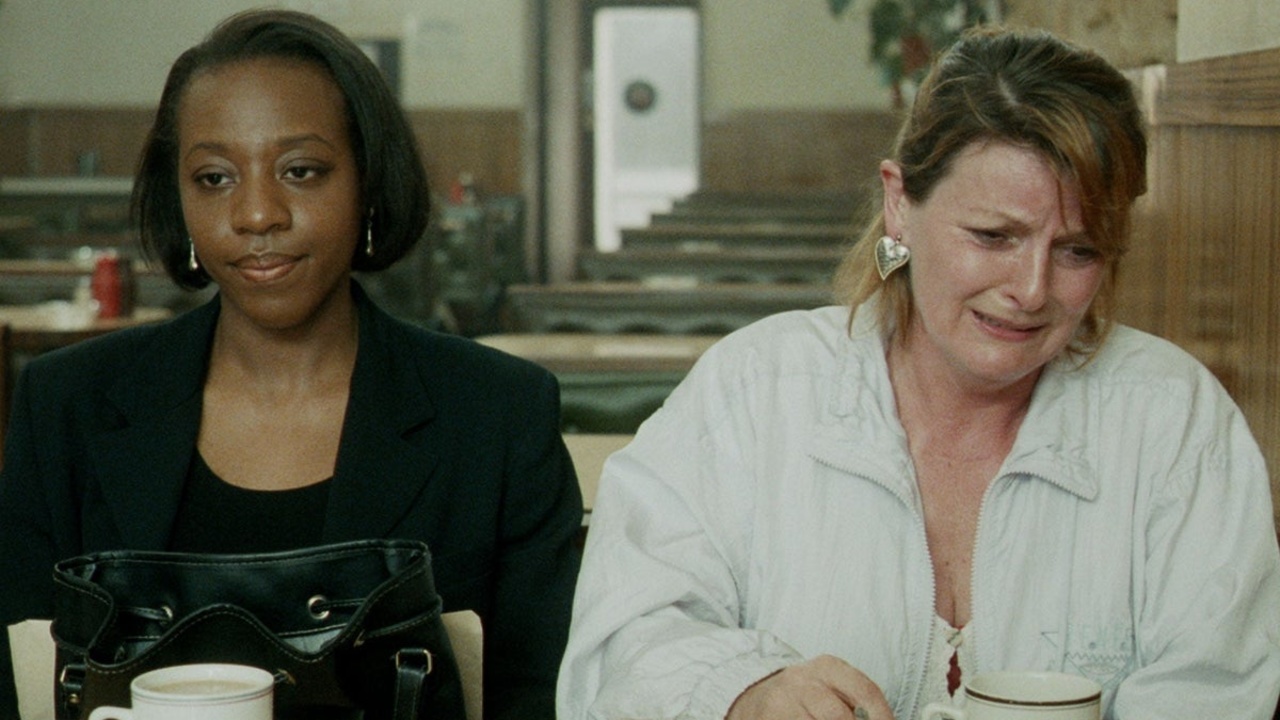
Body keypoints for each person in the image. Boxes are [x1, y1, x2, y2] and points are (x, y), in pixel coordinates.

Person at [557, 26, 1280, 720]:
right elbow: (621, 648)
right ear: (899, 204)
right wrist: (741, 693)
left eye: (1079, 251)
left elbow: (1214, 689)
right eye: (994, 236)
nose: (1032, 290)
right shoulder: (754, 391)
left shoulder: (1172, 418)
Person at [0, 10, 582, 720]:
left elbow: (542, 697)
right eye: (214, 178)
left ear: (368, 182)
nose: (257, 214)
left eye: (301, 171)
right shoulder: (67, 405)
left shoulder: (498, 412)